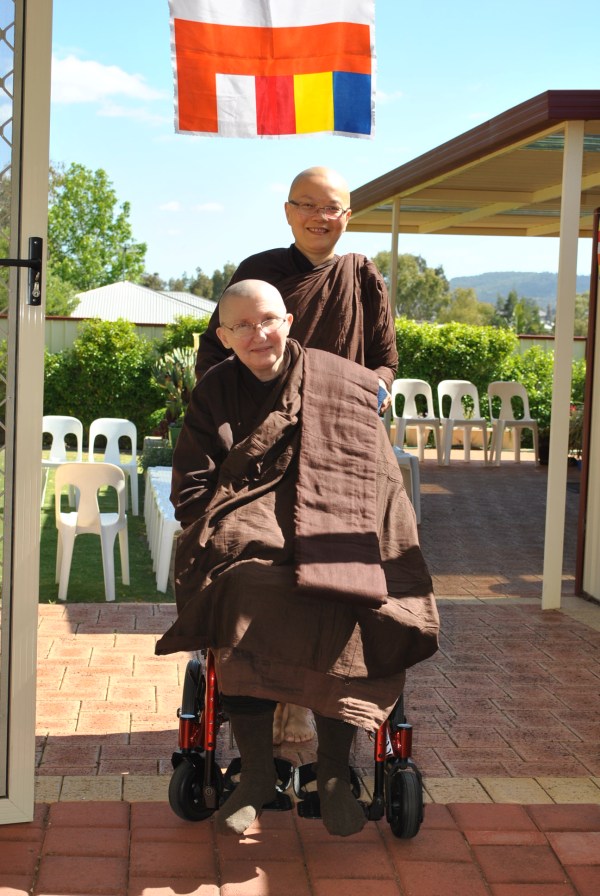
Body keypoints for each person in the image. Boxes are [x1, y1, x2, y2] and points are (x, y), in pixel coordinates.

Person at [156, 279, 439, 839]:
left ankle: (332, 771)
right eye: (241, 326)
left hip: (335, 523)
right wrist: (244, 510)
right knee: (241, 593)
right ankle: (258, 773)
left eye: (267, 320)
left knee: (347, 590)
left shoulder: (342, 384)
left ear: (287, 320)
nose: (258, 334)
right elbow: (191, 486)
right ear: (223, 336)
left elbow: (377, 478)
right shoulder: (215, 391)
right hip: (252, 536)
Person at [195, 166, 397, 410]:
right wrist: (221, 406)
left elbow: (385, 363)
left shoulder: (361, 275)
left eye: (332, 208)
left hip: (340, 420)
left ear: (347, 217)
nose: (319, 216)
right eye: (307, 205)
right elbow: (215, 350)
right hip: (262, 418)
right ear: (288, 212)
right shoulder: (257, 271)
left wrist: (379, 386)